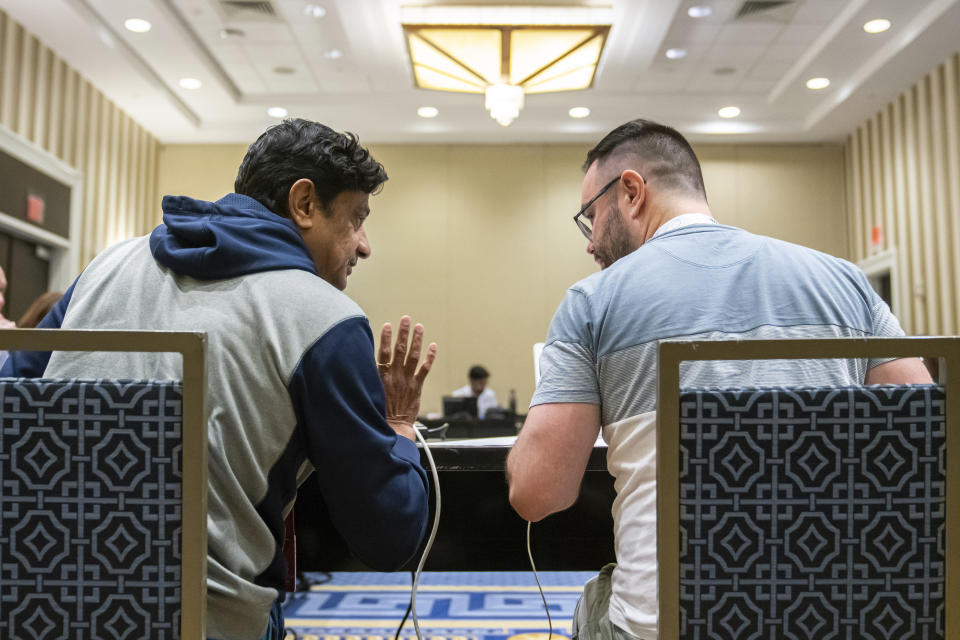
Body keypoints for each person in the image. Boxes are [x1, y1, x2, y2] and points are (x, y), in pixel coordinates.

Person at [1, 119, 438, 640]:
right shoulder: (325, 319)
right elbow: (388, 536)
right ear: (304, 204)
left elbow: (13, 412)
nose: (364, 245)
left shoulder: (104, 267)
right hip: (214, 621)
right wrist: (399, 429)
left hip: (48, 605)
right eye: (356, 219)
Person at [505, 118, 932, 640]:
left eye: (590, 217)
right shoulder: (845, 281)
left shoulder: (593, 304)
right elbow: (926, 444)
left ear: (632, 192)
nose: (590, 242)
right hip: (836, 618)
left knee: (595, 598)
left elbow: (537, 494)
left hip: (668, 629)